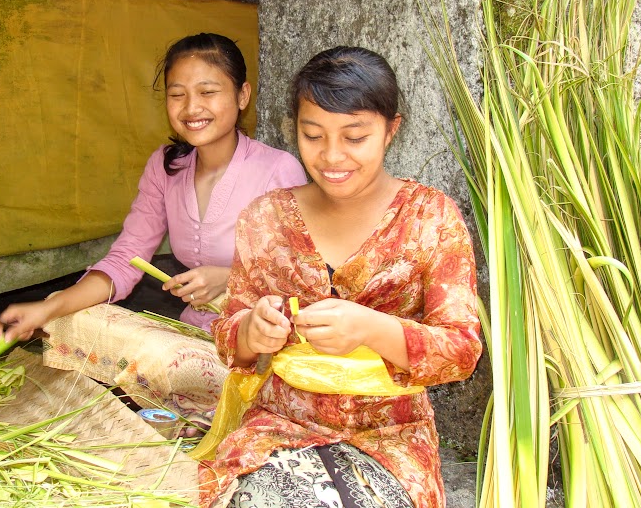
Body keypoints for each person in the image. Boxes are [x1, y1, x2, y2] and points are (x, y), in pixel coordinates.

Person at [200, 46, 482, 508]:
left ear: (392, 129)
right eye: (313, 135)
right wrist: (251, 329)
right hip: (280, 425)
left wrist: (373, 329)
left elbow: (462, 351)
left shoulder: (430, 218)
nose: (332, 156)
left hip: (392, 435)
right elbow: (230, 336)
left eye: (355, 137)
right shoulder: (265, 219)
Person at [0, 32, 306, 342]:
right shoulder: (165, 166)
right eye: (177, 94)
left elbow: (302, 283)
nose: (191, 108)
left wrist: (231, 280)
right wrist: (46, 309)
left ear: (242, 95)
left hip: (263, 343)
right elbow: (126, 258)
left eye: (207, 92)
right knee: (73, 314)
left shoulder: (277, 170)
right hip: (194, 336)